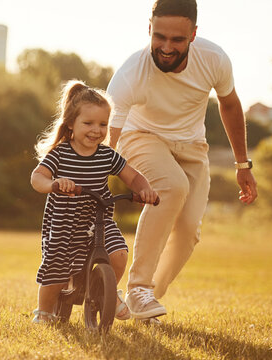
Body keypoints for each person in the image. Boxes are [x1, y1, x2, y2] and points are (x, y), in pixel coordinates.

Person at [106, 0, 258, 321]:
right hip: (142, 136)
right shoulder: (131, 73)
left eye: (177, 40)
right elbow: (111, 135)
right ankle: (138, 287)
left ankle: (146, 299)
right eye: (159, 37)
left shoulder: (213, 59)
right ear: (149, 29)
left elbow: (229, 105)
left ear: (193, 34)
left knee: (189, 230)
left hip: (192, 146)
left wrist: (242, 165)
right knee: (172, 186)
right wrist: (106, 177)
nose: (165, 47)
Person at [30, 80, 159, 324]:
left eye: (102, 124)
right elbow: (37, 178)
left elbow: (132, 176)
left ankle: (107, 292)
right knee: (56, 271)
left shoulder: (107, 155)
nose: (96, 130)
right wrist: (54, 184)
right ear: (71, 124)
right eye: (88, 123)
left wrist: (145, 190)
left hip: (97, 220)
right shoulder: (60, 153)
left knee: (119, 253)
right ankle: (44, 312)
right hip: (64, 223)